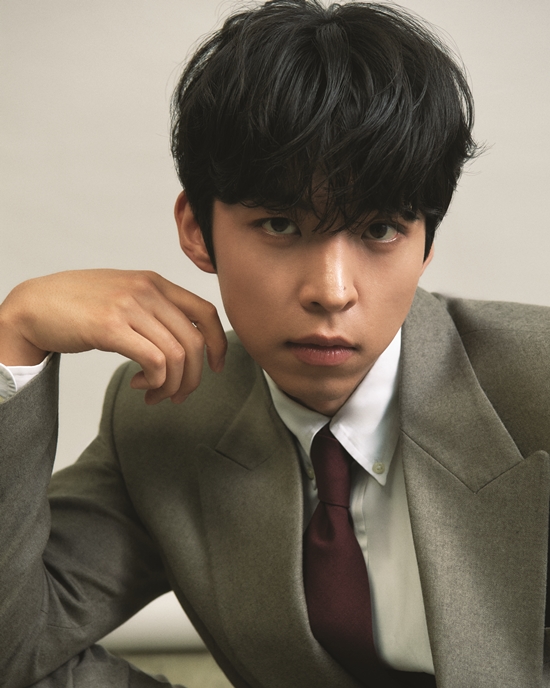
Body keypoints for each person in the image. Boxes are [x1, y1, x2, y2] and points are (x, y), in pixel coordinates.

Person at [0, 1, 549, 686]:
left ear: (426, 241)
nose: (332, 291)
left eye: (380, 229)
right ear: (197, 230)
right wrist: (12, 340)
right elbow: (12, 648)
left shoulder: (536, 386)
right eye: (281, 225)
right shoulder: (165, 414)